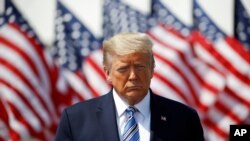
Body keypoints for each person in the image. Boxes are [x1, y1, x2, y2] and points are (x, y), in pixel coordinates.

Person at [54, 32, 204, 141]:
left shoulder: (184, 119)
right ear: (108, 73)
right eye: (123, 69)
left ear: (152, 69)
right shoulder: (76, 119)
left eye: (140, 67)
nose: (133, 76)